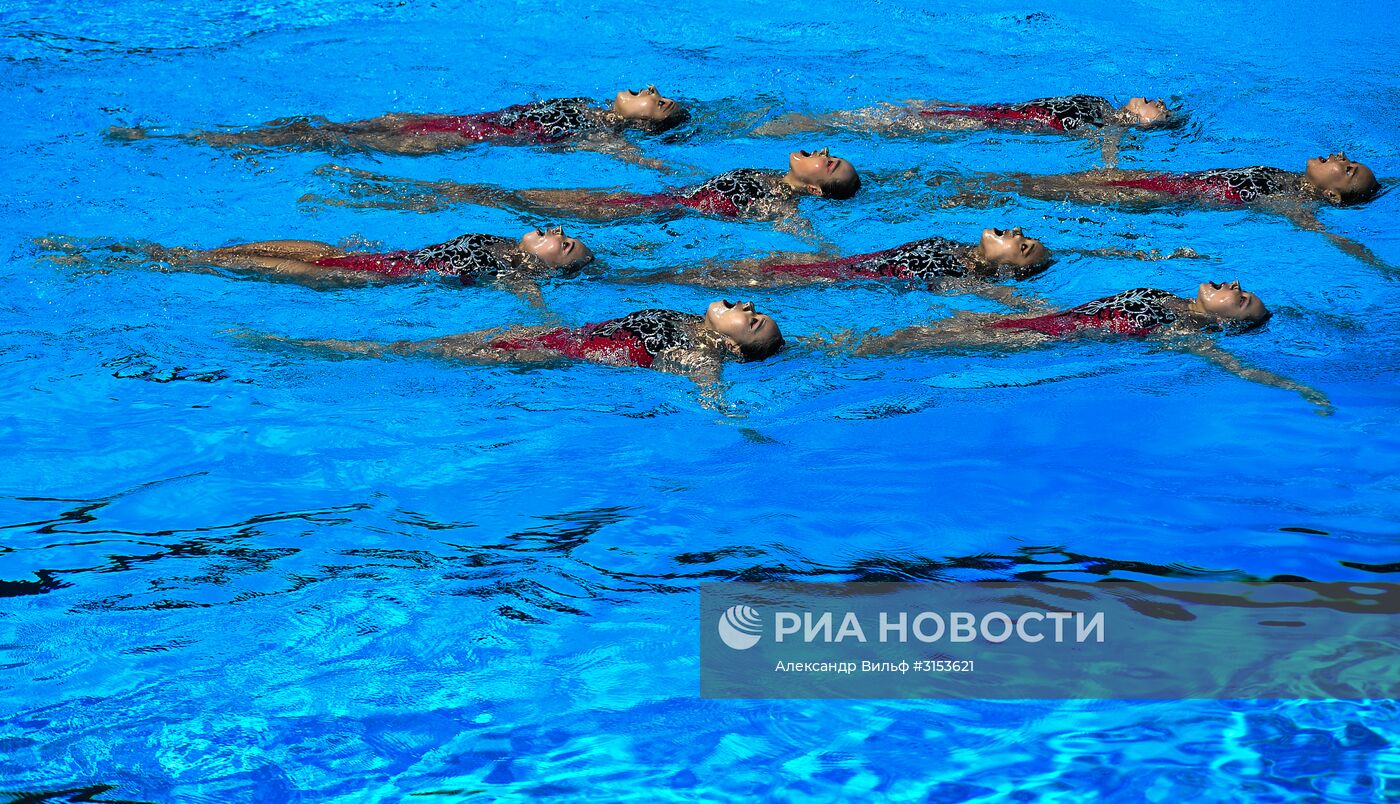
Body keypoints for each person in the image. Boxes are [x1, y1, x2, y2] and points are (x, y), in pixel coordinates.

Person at [835, 280, 1329, 409]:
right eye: (1243, 289)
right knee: (914, 333)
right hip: (1039, 320)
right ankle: (839, 345)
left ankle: (835, 354)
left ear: (1227, 325)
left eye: (1241, 302)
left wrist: (1297, 388)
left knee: (904, 343)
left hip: (1040, 338)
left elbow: (1233, 367)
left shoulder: (1184, 332)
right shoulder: (1170, 298)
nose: (1235, 287)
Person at [938, 153, 1386, 271]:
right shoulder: (1290, 178)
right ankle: (975, 189)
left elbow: (1331, 238)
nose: (1341, 157)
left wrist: (1381, 266)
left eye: (1347, 171)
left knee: (1051, 192)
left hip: (1160, 197)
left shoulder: (1294, 200)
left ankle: (971, 195)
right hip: (1167, 178)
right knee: (1057, 183)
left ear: (1333, 197)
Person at [107, 86, 689, 170]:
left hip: (455, 138)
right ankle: (213, 136)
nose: (655, 93)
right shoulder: (588, 104)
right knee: (322, 125)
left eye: (660, 105)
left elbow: (637, 161)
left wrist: (659, 163)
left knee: (324, 138)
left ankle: (182, 140)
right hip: (451, 121)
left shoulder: (604, 132)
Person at [302, 148, 862, 229]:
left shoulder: (778, 198)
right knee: (493, 195)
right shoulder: (767, 176)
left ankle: (365, 193)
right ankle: (378, 189)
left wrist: (816, 247)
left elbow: (791, 226)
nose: (829, 155)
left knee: (502, 199)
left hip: (645, 214)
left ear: (815, 191)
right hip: (654, 200)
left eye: (833, 166)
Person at [265, 300, 784, 384]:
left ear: (736, 347)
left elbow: (708, 387)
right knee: (433, 343)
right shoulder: (688, 320)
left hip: (559, 351)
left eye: (754, 322)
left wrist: (734, 424)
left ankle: (319, 350)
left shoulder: (703, 352)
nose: (750, 309)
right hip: (556, 336)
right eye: (758, 310)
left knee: (419, 354)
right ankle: (323, 346)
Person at [39, 228, 592, 303]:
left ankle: (104, 263)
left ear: (549, 268)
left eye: (565, 246)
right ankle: (117, 252)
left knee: (211, 266)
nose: (562, 233)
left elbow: (533, 304)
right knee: (225, 252)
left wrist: (543, 319)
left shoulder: (516, 273)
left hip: (362, 274)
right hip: (372, 255)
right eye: (568, 233)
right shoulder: (499, 242)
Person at [755, 95, 1175, 163]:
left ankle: (781, 129)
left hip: (976, 123)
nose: (1159, 100)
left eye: (1162, 110)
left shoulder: (1106, 128)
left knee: (886, 125)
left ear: (1144, 122)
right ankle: (788, 124)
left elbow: (1108, 157)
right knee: (884, 115)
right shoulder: (1102, 103)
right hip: (982, 109)